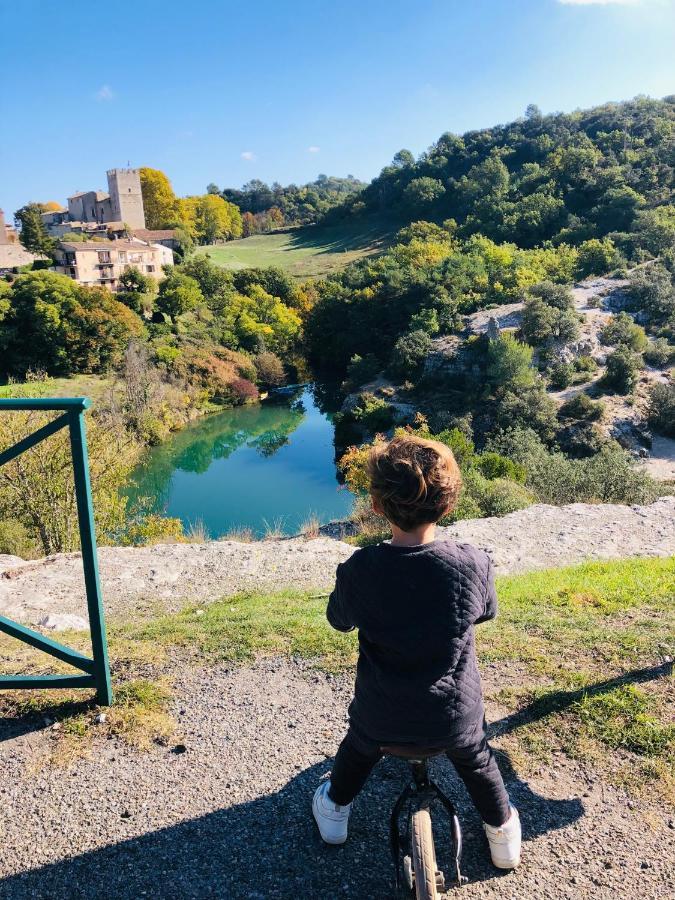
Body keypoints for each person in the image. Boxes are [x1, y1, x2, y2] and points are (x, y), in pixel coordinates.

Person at [312, 434, 521, 869]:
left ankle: (333, 815)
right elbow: (486, 612)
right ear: (448, 504)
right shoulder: (473, 563)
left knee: (358, 749)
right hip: (453, 718)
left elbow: (339, 620)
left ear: (376, 505)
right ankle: (502, 838)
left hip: (381, 716)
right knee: (477, 758)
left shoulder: (360, 569)